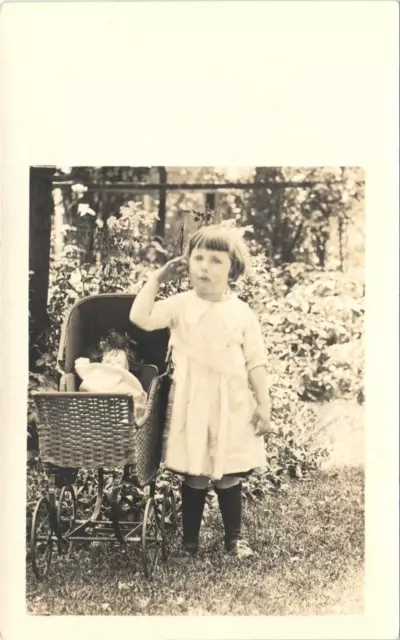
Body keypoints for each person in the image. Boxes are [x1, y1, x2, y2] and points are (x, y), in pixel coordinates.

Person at [129, 224, 271, 559]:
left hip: (231, 400)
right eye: (198, 258)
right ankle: (189, 544)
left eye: (216, 260)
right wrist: (156, 280)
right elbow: (141, 317)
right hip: (193, 401)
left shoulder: (241, 312)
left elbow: (255, 361)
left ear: (233, 268)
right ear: (188, 263)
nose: (204, 267)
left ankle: (234, 540)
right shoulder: (180, 305)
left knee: (229, 471)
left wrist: (263, 403)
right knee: (194, 472)